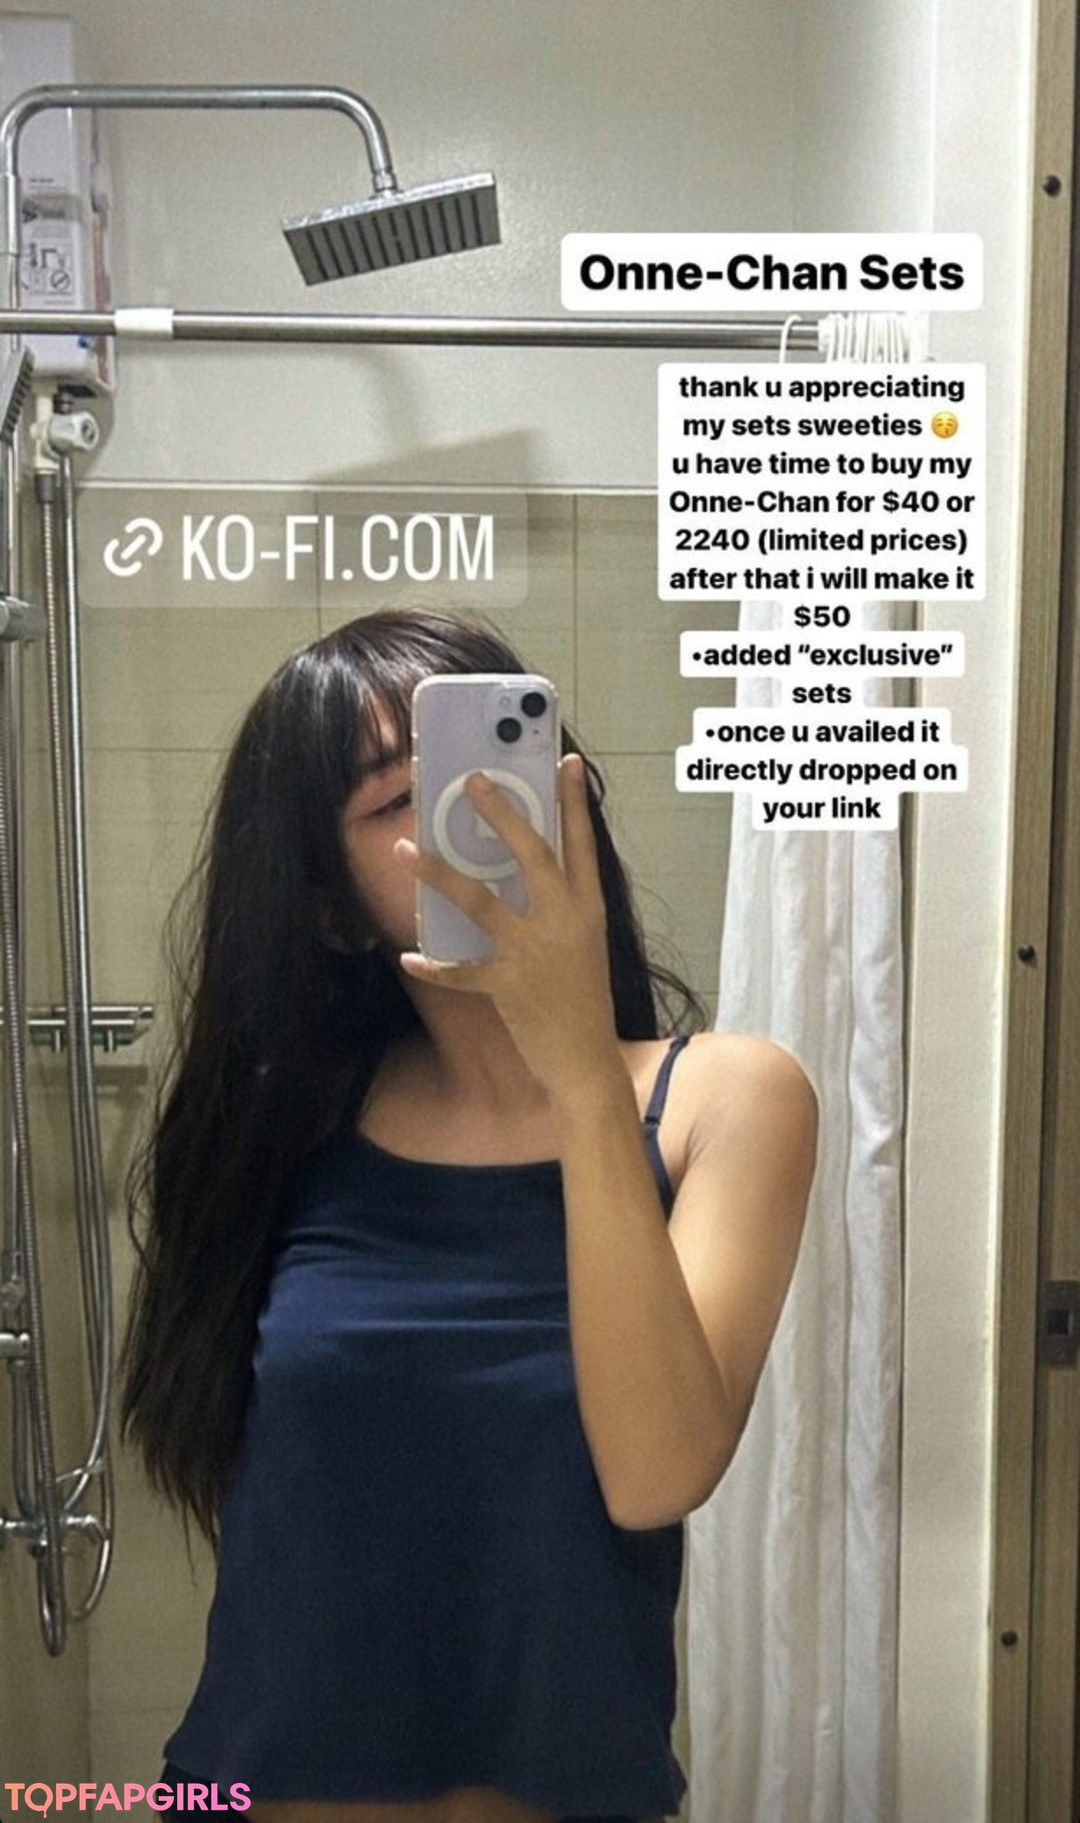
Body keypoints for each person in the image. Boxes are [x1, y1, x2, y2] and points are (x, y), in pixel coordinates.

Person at [120, 608, 817, 1823]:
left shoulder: (728, 1099)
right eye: (403, 800)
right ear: (333, 909)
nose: (483, 818)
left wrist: (581, 1071)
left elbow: (656, 1473)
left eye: (507, 770)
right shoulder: (296, 1124)